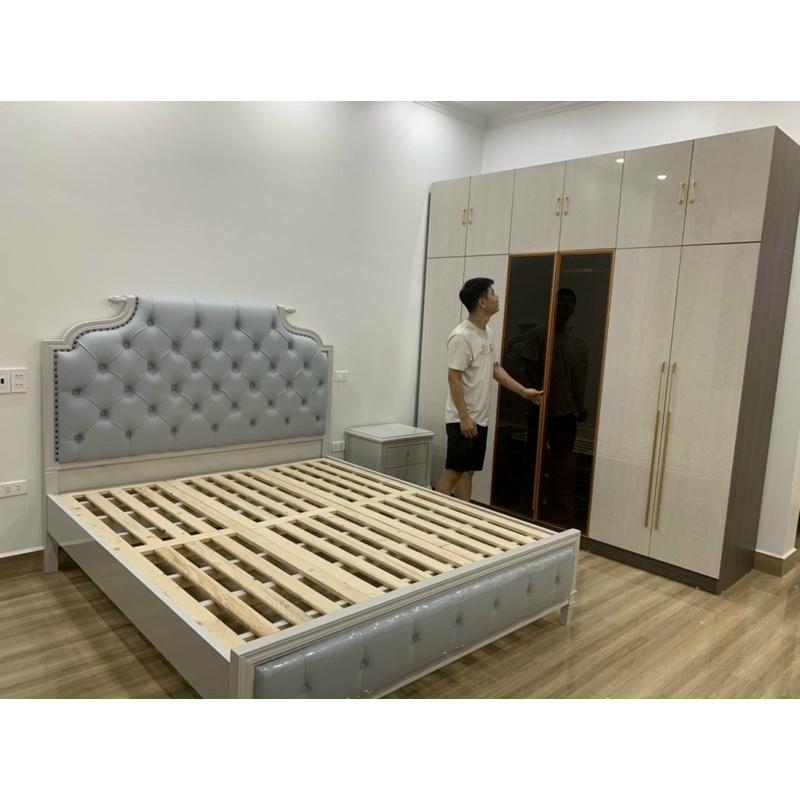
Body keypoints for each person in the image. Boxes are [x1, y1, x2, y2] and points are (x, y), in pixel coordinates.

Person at [435, 277, 543, 501]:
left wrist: (523, 391)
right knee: (454, 472)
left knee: (468, 471)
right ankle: (432, 516)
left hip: (480, 417)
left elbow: (495, 368)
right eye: (492, 293)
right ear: (482, 302)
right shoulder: (461, 336)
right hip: (462, 419)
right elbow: (453, 378)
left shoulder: (488, 333)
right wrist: (464, 418)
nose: (497, 297)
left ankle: (462, 515)